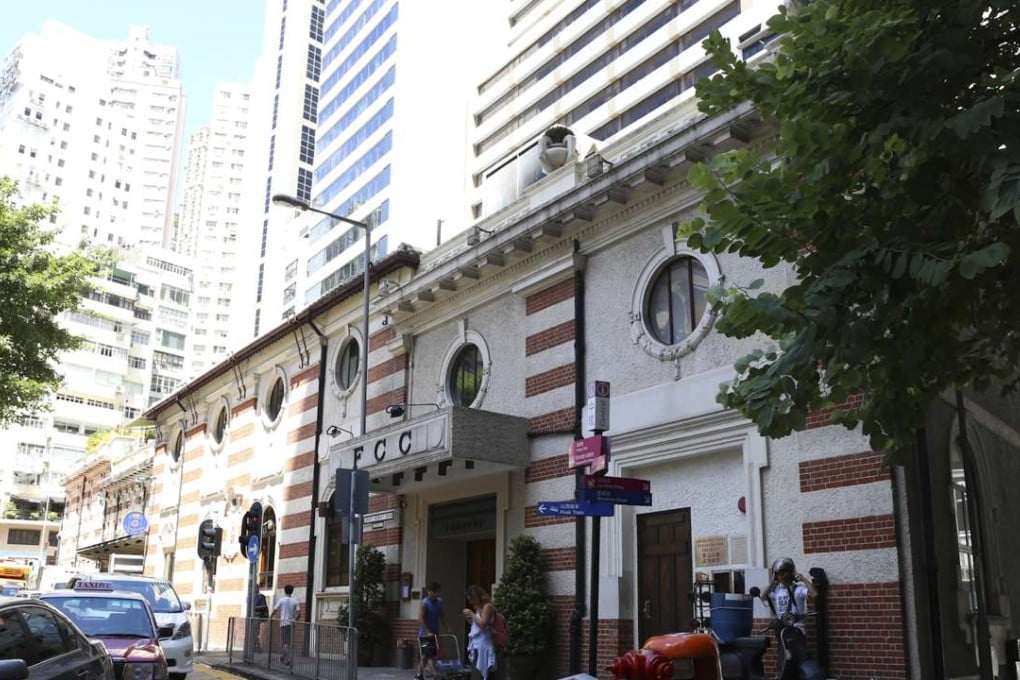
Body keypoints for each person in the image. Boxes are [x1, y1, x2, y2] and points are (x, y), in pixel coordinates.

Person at [760, 557, 824, 680]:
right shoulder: (777, 591)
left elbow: (814, 594)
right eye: (778, 573)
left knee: (797, 658)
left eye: (783, 573)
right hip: (782, 632)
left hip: (797, 631)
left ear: (790, 572)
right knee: (783, 659)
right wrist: (773, 582)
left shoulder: (798, 589)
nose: (781, 576)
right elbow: (763, 596)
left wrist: (803, 579)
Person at [463, 584, 497, 680]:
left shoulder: (487, 607)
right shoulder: (478, 608)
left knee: (482, 674)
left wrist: (472, 614)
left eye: (471, 599)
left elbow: (483, 624)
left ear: (477, 597)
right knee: (476, 674)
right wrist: (470, 619)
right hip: (477, 645)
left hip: (484, 646)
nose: (470, 602)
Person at [416, 582, 446, 680]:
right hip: (424, 635)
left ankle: (419, 675)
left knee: (428, 656)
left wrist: (446, 626)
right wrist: (427, 631)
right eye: (434, 592)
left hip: (435, 634)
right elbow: (420, 619)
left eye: (438, 592)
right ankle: (435, 674)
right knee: (427, 656)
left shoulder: (439, 602)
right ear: (429, 592)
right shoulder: (424, 603)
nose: (436, 594)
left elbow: (441, 615)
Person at [272, 584, 300, 665]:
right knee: (288, 642)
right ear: (292, 591)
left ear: (285, 591)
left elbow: (275, 610)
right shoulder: (295, 601)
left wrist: (270, 617)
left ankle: (287, 659)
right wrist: (295, 620)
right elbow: (299, 614)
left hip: (284, 623)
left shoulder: (282, 600)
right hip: (291, 624)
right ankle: (282, 657)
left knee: (285, 642)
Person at [253, 587, 269, 653]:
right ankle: (256, 647)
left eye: (255, 588)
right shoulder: (251, 596)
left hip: (257, 616)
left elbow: (264, 606)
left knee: (254, 633)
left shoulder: (261, 597)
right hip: (252, 616)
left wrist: (255, 607)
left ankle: (258, 648)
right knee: (252, 633)